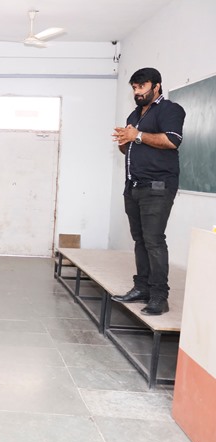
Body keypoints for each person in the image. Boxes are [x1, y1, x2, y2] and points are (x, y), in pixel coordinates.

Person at [111, 68, 186, 316]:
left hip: (158, 187)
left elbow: (172, 140)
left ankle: (159, 297)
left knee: (154, 241)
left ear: (156, 86)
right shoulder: (135, 114)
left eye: (142, 87)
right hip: (134, 186)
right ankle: (141, 288)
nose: (137, 92)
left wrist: (138, 135)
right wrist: (125, 141)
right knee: (140, 240)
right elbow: (130, 150)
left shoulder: (170, 110)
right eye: (134, 87)